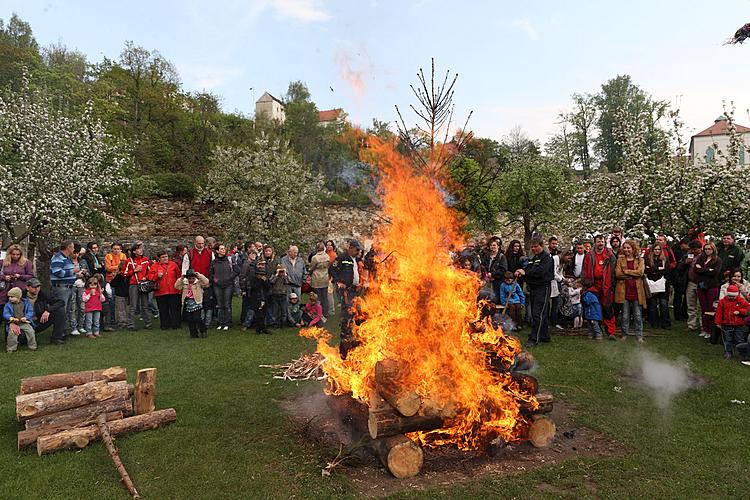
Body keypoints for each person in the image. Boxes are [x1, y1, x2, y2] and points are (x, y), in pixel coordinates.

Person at [514, 237, 553, 347]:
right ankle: (544, 336)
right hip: (534, 288)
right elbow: (528, 269)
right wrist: (521, 271)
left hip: (543, 288)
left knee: (537, 314)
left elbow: (540, 271)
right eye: (532, 246)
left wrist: (526, 273)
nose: (534, 248)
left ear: (541, 245)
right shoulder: (533, 257)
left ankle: (533, 338)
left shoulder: (547, 257)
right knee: (542, 313)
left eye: (536, 246)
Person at [330, 240, 363, 357]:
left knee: (358, 312)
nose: (359, 252)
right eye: (357, 249)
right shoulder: (342, 258)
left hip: (354, 290)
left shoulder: (357, 259)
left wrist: (360, 283)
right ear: (351, 248)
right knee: (347, 312)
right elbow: (332, 270)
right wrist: (339, 281)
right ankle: (346, 337)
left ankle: (355, 334)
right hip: (346, 291)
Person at [583, 235, 617, 337]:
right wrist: (585, 282)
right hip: (593, 285)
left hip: (606, 285)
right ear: (595, 242)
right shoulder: (589, 255)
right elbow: (584, 271)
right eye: (598, 241)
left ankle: (611, 332)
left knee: (607, 308)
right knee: (594, 307)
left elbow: (613, 272)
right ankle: (596, 331)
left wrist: (611, 284)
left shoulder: (610, 255)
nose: (600, 243)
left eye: (602, 241)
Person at [615, 239, 647, 343]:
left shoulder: (640, 260)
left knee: (638, 316)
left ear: (633, 249)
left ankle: (639, 336)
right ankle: (624, 335)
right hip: (624, 292)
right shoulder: (620, 259)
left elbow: (641, 273)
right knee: (625, 315)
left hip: (637, 292)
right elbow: (618, 274)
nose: (626, 249)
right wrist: (633, 274)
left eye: (628, 248)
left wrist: (627, 272)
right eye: (624, 248)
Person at [693, 241, 722, 339]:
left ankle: (710, 330)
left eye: (709, 249)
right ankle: (704, 329)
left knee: (710, 308)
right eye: (705, 249)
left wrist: (702, 269)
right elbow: (695, 270)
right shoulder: (700, 259)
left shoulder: (717, 260)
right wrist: (708, 270)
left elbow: (715, 273)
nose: (707, 251)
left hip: (712, 286)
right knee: (703, 308)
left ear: (713, 249)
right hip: (701, 286)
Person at [25, 278, 67, 345]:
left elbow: (60, 302)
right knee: (22, 340)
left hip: (40, 320)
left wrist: (48, 310)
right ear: (27, 287)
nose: (37, 289)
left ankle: (56, 338)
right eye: (34, 287)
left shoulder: (43, 294)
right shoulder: (21, 296)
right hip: (25, 322)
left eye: (38, 286)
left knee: (60, 311)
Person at [147, 249, 182, 330]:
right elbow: (150, 277)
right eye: (163, 257)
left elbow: (178, 276)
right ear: (159, 258)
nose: (165, 258)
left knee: (174, 309)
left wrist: (179, 288)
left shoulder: (173, 264)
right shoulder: (154, 266)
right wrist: (157, 276)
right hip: (161, 292)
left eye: (166, 256)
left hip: (173, 291)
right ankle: (165, 325)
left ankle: (176, 324)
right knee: (163, 310)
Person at [50, 240, 79, 336]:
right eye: (73, 247)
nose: (74, 249)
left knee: (67, 310)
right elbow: (57, 272)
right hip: (61, 288)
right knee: (62, 310)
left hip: (69, 287)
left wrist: (76, 274)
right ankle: (59, 333)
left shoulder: (67, 258)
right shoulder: (58, 257)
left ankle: (63, 330)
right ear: (68, 248)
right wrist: (73, 271)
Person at [714, 284, 750, 360]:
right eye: (730, 296)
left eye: (733, 296)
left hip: (739, 325)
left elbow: (748, 310)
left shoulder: (741, 301)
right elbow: (719, 313)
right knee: (727, 339)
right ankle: (728, 352)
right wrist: (718, 322)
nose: (732, 297)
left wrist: (740, 311)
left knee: (739, 339)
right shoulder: (722, 302)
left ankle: (742, 353)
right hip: (726, 324)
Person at [122, 242, 152, 330]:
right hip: (133, 285)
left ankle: (148, 324)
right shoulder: (129, 261)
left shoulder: (146, 260)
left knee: (145, 305)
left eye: (141, 248)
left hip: (143, 284)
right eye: (139, 249)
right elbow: (124, 273)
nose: (141, 250)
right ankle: (130, 325)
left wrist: (145, 277)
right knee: (133, 306)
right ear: (134, 251)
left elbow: (150, 272)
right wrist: (134, 271)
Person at [209, 243, 238, 330]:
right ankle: (221, 322)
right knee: (220, 304)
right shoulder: (214, 262)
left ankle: (227, 323)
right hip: (217, 285)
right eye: (221, 249)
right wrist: (214, 279)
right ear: (217, 251)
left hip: (228, 285)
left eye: (224, 249)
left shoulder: (229, 260)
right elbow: (211, 272)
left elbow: (237, 270)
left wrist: (229, 278)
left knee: (227, 304)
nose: (223, 250)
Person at [174, 269, 209, 339]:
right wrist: (181, 278)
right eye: (189, 278)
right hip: (188, 303)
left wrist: (199, 275)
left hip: (197, 302)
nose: (191, 279)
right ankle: (193, 334)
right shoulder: (185, 283)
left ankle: (203, 330)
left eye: (193, 278)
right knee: (190, 319)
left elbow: (206, 282)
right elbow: (176, 286)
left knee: (197, 318)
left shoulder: (198, 282)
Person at [0, 244, 34, 316]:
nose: (15, 256)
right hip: (5, 289)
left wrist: (20, 276)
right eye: (13, 254)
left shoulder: (26, 263)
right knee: (3, 309)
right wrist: (4, 277)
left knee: (18, 310)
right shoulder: (3, 262)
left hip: (20, 290)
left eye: (18, 254)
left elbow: (31, 276)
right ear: (9, 254)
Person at [645, 243, 671, 329]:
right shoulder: (648, 259)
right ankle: (654, 323)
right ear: (652, 250)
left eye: (659, 249)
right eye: (655, 249)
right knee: (652, 305)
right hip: (651, 284)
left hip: (663, 285)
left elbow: (667, 270)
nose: (657, 251)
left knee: (664, 304)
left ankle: (665, 323)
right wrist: (657, 269)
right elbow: (646, 270)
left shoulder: (665, 259)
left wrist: (653, 270)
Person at [3, 287, 36, 352]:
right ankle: (11, 348)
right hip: (14, 322)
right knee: (12, 334)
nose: (10, 298)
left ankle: (32, 346)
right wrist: (10, 318)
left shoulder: (25, 303)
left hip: (24, 322)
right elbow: (5, 313)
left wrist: (26, 317)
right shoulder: (8, 305)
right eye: (9, 297)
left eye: (12, 297)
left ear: (18, 297)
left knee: (31, 331)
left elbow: (30, 311)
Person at [245, 259, 270, 334]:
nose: (262, 276)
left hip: (264, 298)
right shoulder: (254, 280)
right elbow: (254, 287)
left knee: (264, 314)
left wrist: (265, 281)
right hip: (256, 299)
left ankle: (262, 328)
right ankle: (259, 328)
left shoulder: (265, 280)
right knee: (258, 315)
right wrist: (260, 281)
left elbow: (268, 288)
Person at [683, 240, 703, 332]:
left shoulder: (704, 256)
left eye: (695, 249)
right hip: (691, 282)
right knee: (691, 304)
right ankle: (691, 325)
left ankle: (703, 325)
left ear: (700, 249)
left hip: (701, 282)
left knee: (702, 305)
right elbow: (680, 265)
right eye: (691, 249)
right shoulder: (688, 255)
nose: (693, 251)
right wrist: (685, 262)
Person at [481, 237, 508, 303]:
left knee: (496, 299)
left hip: (497, 282)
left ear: (498, 246)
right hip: (487, 281)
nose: (492, 247)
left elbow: (503, 270)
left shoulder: (502, 257)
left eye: (494, 245)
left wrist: (492, 274)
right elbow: (483, 266)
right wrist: (485, 274)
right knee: (486, 298)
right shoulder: (486, 256)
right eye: (491, 245)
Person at [309, 242, 331, 317]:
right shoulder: (327, 256)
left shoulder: (315, 257)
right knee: (325, 297)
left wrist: (309, 271)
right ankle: (326, 312)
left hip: (317, 278)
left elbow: (311, 268)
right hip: (325, 277)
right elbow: (328, 265)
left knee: (318, 297)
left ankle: (319, 312)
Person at [671, 238, 691, 321]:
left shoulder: (686, 252)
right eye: (687, 246)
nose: (688, 248)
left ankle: (683, 313)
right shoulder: (675, 251)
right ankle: (678, 314)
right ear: (683, 244)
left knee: (685, 296)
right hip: (677, 276)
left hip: (685, 276)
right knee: (678, 296)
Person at [268, 264, 289, 328]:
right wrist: (276, 275)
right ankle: (274, 323)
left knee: (284, 311)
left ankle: (283, 323)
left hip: (283, 295)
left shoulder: (285, 276)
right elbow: (271, 281)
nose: (281, 273)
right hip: (275, 295)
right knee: (275, 310)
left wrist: (285, 274)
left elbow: (287, 282)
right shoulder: (274, 276)